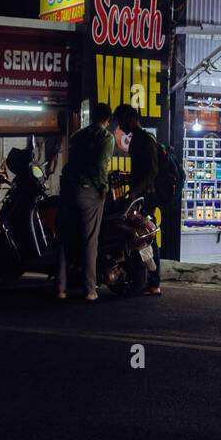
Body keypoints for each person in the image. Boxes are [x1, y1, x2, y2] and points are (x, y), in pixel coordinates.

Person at [58, 103, 115, 301]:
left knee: (65, 239)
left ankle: (61, 288)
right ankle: (90, 289)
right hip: (88, 191)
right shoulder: (106, 137)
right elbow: (101, 165)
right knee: (90, 240)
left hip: (68, 190)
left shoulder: (77, 136)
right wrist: (103, 188)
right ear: (108, 119)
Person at [113, 104, 161, 296]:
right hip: (140, 194)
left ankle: (155, 282)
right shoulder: (137, 140)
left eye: (122, 121)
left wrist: (135, 191)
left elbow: (152, 171)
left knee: (148, 236)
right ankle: (148, 279)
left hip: (146, 196)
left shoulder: (145, 139)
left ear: (131, 119)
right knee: (141, 236)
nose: (121, 126)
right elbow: (141, 170)